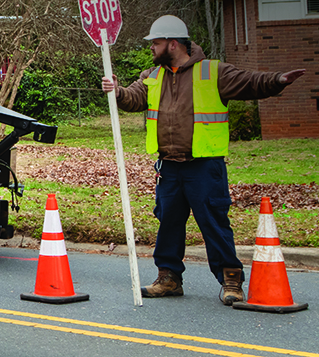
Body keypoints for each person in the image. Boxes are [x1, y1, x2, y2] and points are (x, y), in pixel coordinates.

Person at [101, 15, 306, 305]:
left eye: (156, 43)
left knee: (213, 222)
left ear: (173, 44)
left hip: (204, 166)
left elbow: (250, 82)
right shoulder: (152, 76)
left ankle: (231, 280)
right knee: (168, 222)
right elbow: (134, 98)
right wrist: (117, 91)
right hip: (169, 166)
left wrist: (278, 80)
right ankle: (168, 278)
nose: (152, 48)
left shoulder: (213, 72)